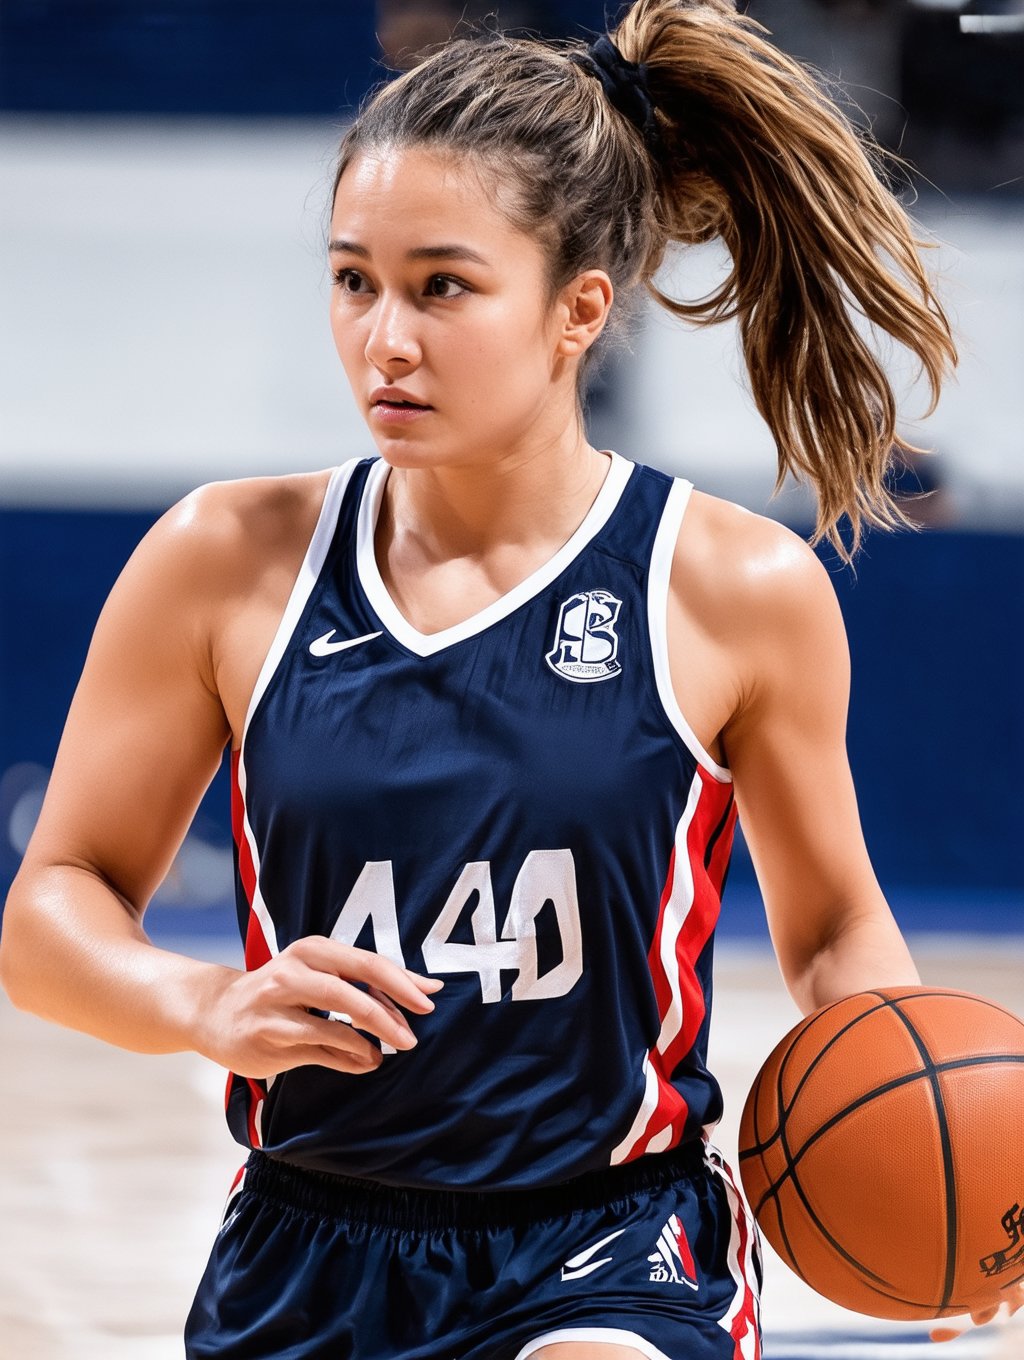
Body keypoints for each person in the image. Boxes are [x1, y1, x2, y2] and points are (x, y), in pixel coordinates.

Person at [1, 1, 1016, 1356]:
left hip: (609, 1243)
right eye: (354, 279)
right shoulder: (222, 560)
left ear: (578, 310)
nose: (385, 338)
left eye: (443, 285)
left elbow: (833, 932)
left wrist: (937, 1151)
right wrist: (200, 1003)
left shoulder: (730, 587)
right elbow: (51, 909)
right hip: (305, 1248)